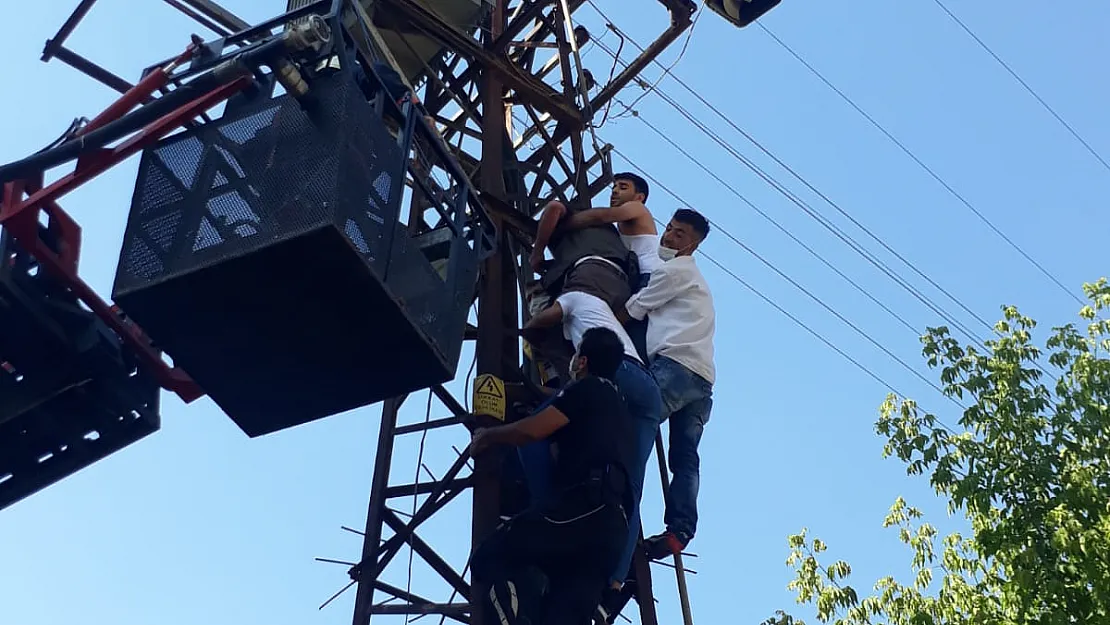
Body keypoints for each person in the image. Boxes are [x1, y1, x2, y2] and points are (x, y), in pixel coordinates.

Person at [468, 327, 635, 625]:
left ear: (582, 361)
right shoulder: (623, 411)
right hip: (613, 531)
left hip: (582, 508)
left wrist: (489, 436)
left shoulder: (585, 389)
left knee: (492, 556)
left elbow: (531, 431)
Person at [523, 286, 662, 609]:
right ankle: (615, 580)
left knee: (533, 436)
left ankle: (544, 511)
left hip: (619, 372)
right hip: (647, 388)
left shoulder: (572, 299)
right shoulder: (604, 316)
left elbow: (540, 322)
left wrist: (530, 329)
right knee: (632, 485)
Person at [618, 208, 716, 561]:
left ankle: (617, 506)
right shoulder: (695, 280)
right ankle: (680, 530)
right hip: (701, 381)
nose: (668, 237)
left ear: (693, 244)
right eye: (669, 229)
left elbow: (634, 310)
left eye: (678, 234)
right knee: (685, 459)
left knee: (629, 429)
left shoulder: (675, 271)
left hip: (675, 368)